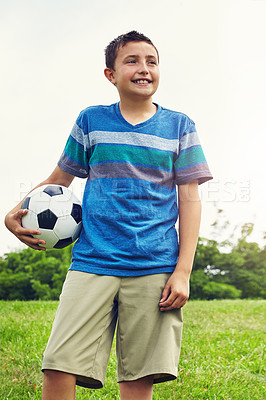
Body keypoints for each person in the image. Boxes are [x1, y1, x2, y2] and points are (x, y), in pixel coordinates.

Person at [5, 31, 212, 400]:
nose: (143, 68)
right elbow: (58, 181)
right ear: (110, 74)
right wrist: (14, 213)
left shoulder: (181, 126)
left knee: (137, 376)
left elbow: (190, 200)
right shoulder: (91, 120)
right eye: (131, 61)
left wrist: (182, 272)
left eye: (151, 61)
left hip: (155, 266)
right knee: (58, 363)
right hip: (92, 262)